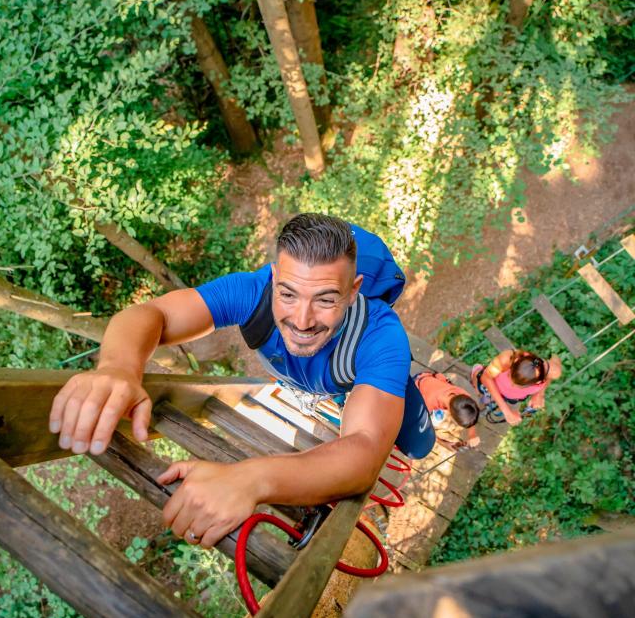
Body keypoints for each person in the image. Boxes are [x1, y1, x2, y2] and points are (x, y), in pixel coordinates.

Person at [48, 213, 435, 549]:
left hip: (364, 375)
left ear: (353, 292)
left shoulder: (382, 335)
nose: (301, 320)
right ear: (274, 277)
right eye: (288, 293)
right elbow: (153, 315)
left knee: (417, 444)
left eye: (325, 299)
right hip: (321, 384)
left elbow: (365, 451)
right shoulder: (252, 291)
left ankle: (405, 384)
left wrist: (253, 479)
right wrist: (117, 367)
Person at [471, 350, 562, 425]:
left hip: (512, 396)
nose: (512, 385)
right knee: (479, 385)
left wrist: (539, 394)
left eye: (519, 385)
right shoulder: (508, 358)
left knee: (492, 399)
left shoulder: (552, 371)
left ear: (538, 382)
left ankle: (490, 398)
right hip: (492, 384)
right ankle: (477, 380)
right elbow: (486, 377)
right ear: (515, 362)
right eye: (510, 375)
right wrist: (506, 410)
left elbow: (554, 357)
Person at [414, 372, 480, 451]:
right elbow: (421, 430)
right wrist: (443, 443)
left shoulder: (461, 395)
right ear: (451, 415)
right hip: (415, 388)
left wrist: (472, 434)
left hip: (429, 380)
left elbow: (470, 413)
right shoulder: (427, 403)